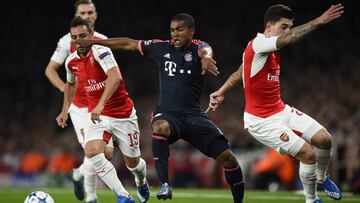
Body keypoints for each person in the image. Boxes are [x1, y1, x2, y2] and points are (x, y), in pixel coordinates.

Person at [76, 13, 245, 203]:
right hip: (168, 114)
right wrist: (94, 42)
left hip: (194, 116)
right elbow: (129, 43)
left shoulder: (198, 47)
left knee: (228, 159)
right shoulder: (161, 47)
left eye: (180, 30)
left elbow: (205, 50)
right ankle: (165, 184)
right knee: (159, 127)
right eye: (172, 30)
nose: (174, 34)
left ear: (191, 31)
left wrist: (206, 58)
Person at [208, 4, 344, 203]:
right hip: (261, 121)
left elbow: (239, 73)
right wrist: (317, 21)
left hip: (280, 110)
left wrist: (221, 92)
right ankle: (311, 199)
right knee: (308, 153)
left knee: (325, 139)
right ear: (269, 26)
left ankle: (322, 177)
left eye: (290, 27)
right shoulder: (259, 44)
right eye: (284, 26)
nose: (287, 31)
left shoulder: (264, 50)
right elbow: (288, 39)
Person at [56, 17, 150, 203]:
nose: (79, 40)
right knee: (92, 152)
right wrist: (64, 109)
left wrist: (100, 104)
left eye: (83, 35)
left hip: (122, 114)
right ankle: (123, 196)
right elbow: (70, 84)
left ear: (91, 35)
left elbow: (115, 78)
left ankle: (141, 180)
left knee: (133, 164)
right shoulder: (71, 62)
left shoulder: (102, 51)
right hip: (97, 116)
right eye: (75, 37)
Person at [45, 1, 113, 202]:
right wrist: (63, 88)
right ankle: (91, 198)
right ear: (76, 15)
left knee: (107, 153)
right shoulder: (67, 41)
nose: (86, 16)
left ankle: (78, 174)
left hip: (101, 104)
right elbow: (50, 69)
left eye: (90, 12)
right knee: (94, 152)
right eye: (82, 12)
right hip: (81, 107)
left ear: (96, 15)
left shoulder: (103, 40)